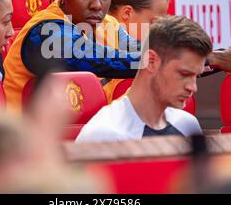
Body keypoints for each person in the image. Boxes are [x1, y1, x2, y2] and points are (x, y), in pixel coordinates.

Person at [3, 0, 141, 112]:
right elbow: (97, 58)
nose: (97, 5)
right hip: (19, 136)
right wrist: (165, 61)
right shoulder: (45, 31)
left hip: (85, 135)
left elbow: (140, 49)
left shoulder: (110, 25)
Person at [75, 15, 213, 142]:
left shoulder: (188, 125)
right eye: (184, 74)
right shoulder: (104, 133)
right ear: (151, 61)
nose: (193, 87)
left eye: (196, 75)